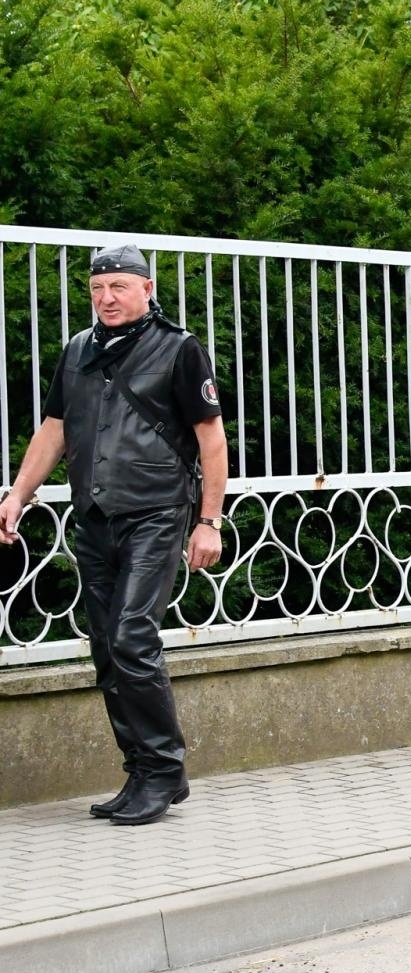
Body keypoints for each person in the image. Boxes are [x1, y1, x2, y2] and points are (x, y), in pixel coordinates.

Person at [0, 244, 227, 825]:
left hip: (155, 513)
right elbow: (54, 429)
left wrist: (208, 520)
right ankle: (143, 770)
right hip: (94, 517)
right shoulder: (78, 349)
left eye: (119, 287)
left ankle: (163, 767)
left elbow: (211, 438)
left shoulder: (179, 349)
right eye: (98, 288)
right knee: (106, 646)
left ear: (146, 290)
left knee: (131, 635)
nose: (107, 297)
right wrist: (17, 495)